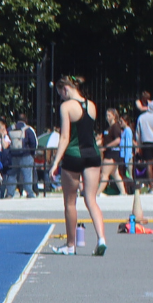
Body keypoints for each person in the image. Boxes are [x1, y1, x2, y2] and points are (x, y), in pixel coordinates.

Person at [48, 77, 108, 256]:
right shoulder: (91, 105)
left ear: (65, 89)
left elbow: (65, 137)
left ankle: (71, 244)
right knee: (91, 199)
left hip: (74, 155)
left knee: (70, 202)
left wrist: (56, 162)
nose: (61, 98)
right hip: (93, 155)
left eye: (61, 94)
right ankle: (101, 239)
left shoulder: (66, 107)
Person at [6, 114, 38, 198]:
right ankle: (29, 193)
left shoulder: (10, 128)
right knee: (27, 174)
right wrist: (32, 152)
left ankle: (10, 193)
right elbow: (33, 142)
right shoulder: (28, 129)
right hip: (26, 155)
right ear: (26, 120)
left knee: (12, 175)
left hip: (13, 155)